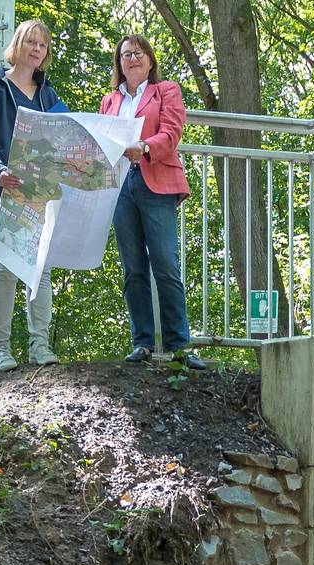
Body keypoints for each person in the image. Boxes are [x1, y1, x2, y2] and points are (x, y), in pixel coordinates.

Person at [98, 36, 210, 370]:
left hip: (155, 179)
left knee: (165, 263)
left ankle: (178, 346)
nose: (131, 59)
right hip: (120, 185)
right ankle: (142, 343)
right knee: (133, 268)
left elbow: (172, 130)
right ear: (119, 63)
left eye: (138, 53)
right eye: (125, 55)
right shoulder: (109, 101)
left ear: (149, 59)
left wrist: (145, 147)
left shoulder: (166, 90)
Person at [0, 18, 66, 371]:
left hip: (40, 192)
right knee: (7, 267)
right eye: (32, 42)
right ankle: (0, 348)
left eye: (43, 45)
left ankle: (40, 346)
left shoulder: (48, 93)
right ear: (18, 45)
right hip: (5, 189)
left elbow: (62, 136)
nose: (37, 50)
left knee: (41, 270)